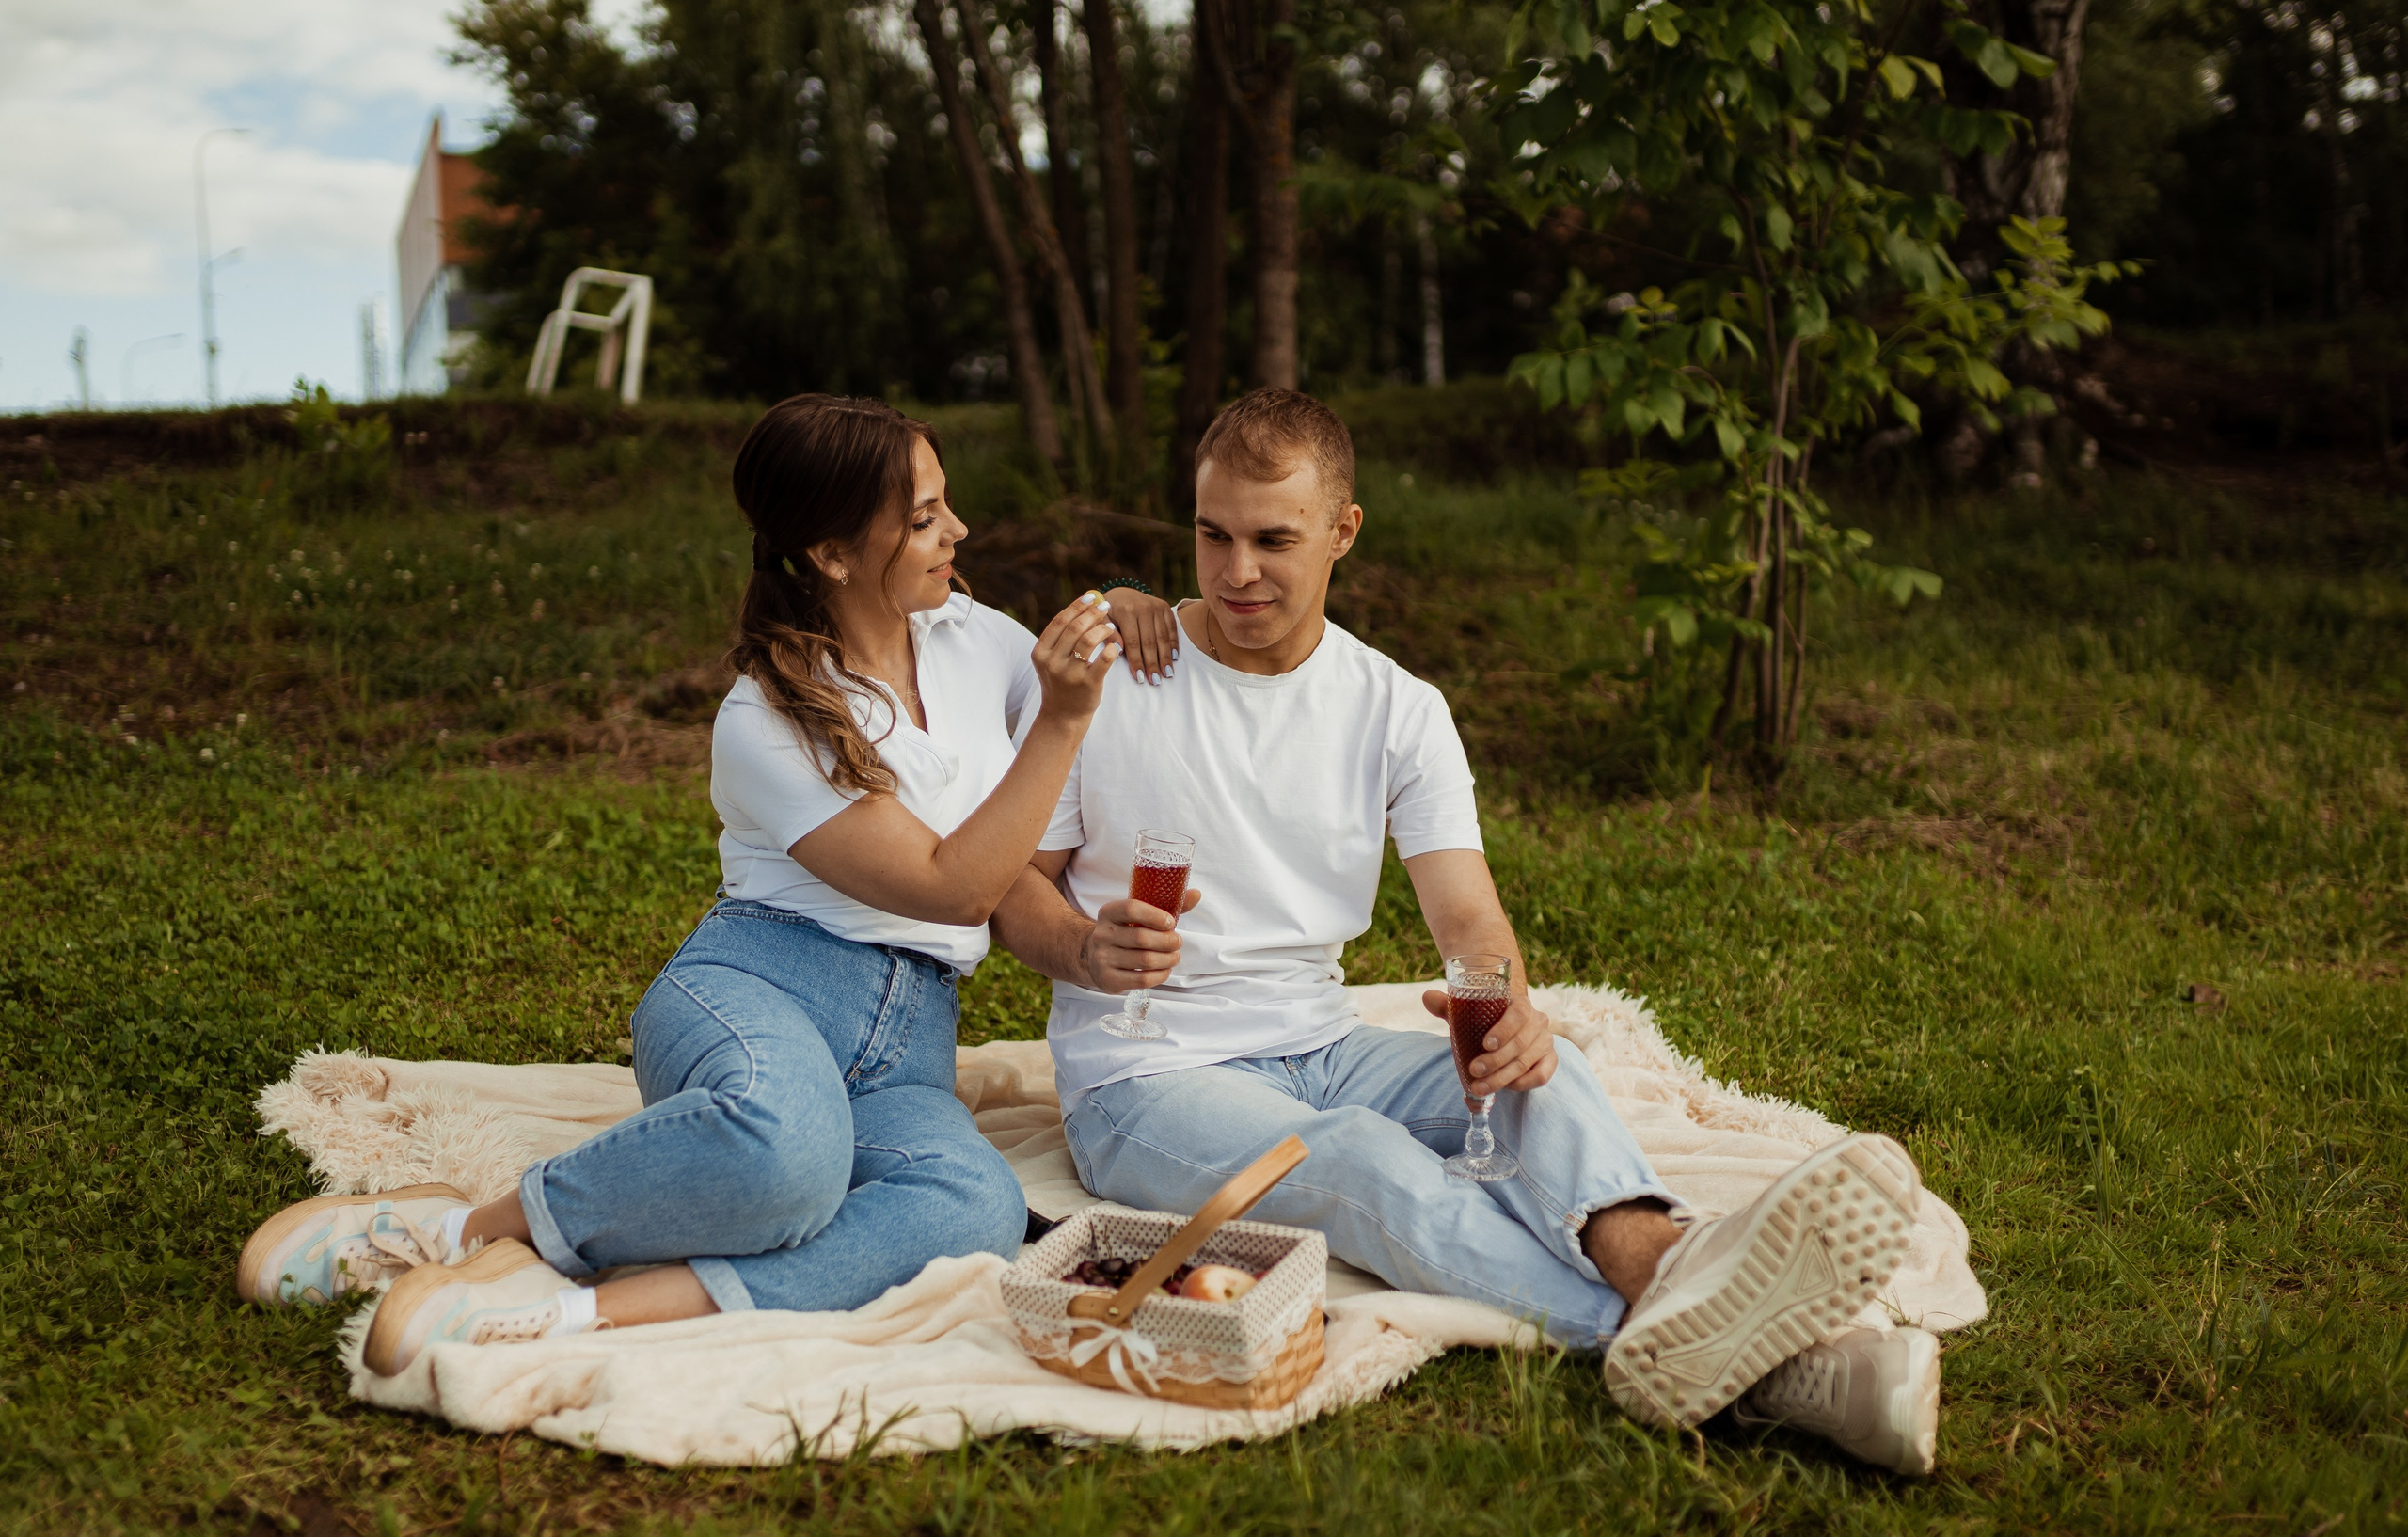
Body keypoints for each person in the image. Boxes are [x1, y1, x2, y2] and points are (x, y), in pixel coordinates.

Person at [989, 389, 1941, 1475]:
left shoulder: (1396, 706)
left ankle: (1671, 1272)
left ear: (1344, 532)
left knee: (1550, 1080)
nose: (1235, 571)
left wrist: (1508, 1013)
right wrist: (1079, 949)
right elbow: (1018, 885)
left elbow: (1467, 916)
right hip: (1146, 1075)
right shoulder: (1112, 676)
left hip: (1324, 1044)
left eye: (1272, 540)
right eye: (1212, 535)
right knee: (1361, 1161)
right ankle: (1731, 1355)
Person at [236, 394, 1177, 1376]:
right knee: (787, 1162)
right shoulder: (768, 717)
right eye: (923, 516)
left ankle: (568, 1315)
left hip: (910, 1047)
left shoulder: (974, 639)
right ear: (832, 554)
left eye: (946, 505)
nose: (959, 531)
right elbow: (955, 886)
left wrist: (1128, 594)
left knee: (972, 1207)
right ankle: (459, 1229)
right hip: (762, 988)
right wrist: (1059, 724)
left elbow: (1056, 773)